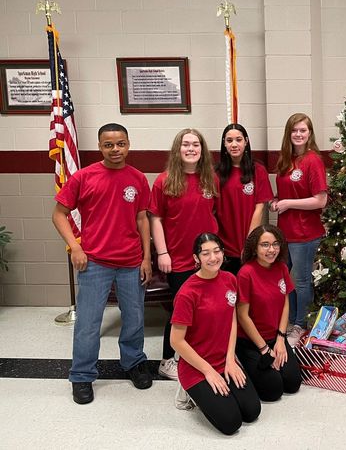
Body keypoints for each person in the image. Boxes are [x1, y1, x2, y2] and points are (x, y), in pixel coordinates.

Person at [52, 123, 153, 405]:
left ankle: (133, 363)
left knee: (134, 319)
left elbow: (142, 219)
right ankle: (82, 376)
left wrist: (146, 257)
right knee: (88, 323)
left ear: (128, 144)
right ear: (100, 147)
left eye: (120, 143)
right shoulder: (84, 177)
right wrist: (75, 247)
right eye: (108, 145)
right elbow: (59, 214)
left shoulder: (138, 178)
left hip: (132, 263)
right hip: (94, 263)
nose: (115, 149)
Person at [170, 233, 261, 435]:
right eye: (206, 253)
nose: (213, 258)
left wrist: (231, 359)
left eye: (217, 251)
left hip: (223, 359)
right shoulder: (187, 293)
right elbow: (176, 341)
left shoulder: (229, 279)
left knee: (251, 411)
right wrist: (208, 371)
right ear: (196, 258)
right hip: (197, 366)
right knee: (231, 423)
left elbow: (231, 319)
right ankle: (187, 392)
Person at [150, 128, 218, 381]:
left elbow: (214, 215)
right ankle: (167, 360)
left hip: (209, 259)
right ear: (178, 149)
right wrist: (162, 253)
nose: (191, 149)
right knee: (181, 312)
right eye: (186, 144)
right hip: (177, 258)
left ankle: (199, 354)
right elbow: (155, 218)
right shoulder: (164, 180)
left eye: (196, 145)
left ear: (202, 150)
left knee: (206, 309)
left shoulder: (210, 178)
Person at [271, 113, 327, 346]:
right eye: (294, 130)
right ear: (288, 133)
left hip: (305, 233)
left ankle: (300, 325)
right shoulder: (285, 160)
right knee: (286, 280)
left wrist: (288, 204)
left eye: (303, 130)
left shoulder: (313, 160)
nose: (298, 134)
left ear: (310, 134)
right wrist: (277, 201)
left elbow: (320, 200)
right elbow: (287, 193)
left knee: (301, 281)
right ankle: (290, 319)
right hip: (285, 232)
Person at [235, 225, 302, 402]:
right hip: (251, 342)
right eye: (264, 244)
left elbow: (285, 302)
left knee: (293, 383)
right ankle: (244, 363)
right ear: (255, 248)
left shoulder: (281, 267)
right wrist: (265, 350)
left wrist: (281, 338)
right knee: (273, 391)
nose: (271, 249)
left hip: (275, 336)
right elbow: (242, 316)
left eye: (275, 244)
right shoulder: (245, 273)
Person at [215, 123, 273, 275]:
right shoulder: (216, 173)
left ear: (246, 141)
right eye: (229, 140)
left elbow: (259, 208)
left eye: (238, 139)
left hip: (249, 243)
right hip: (223, 247)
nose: (234, 144)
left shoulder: (258, 170)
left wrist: (249, 244)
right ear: (224, 143)